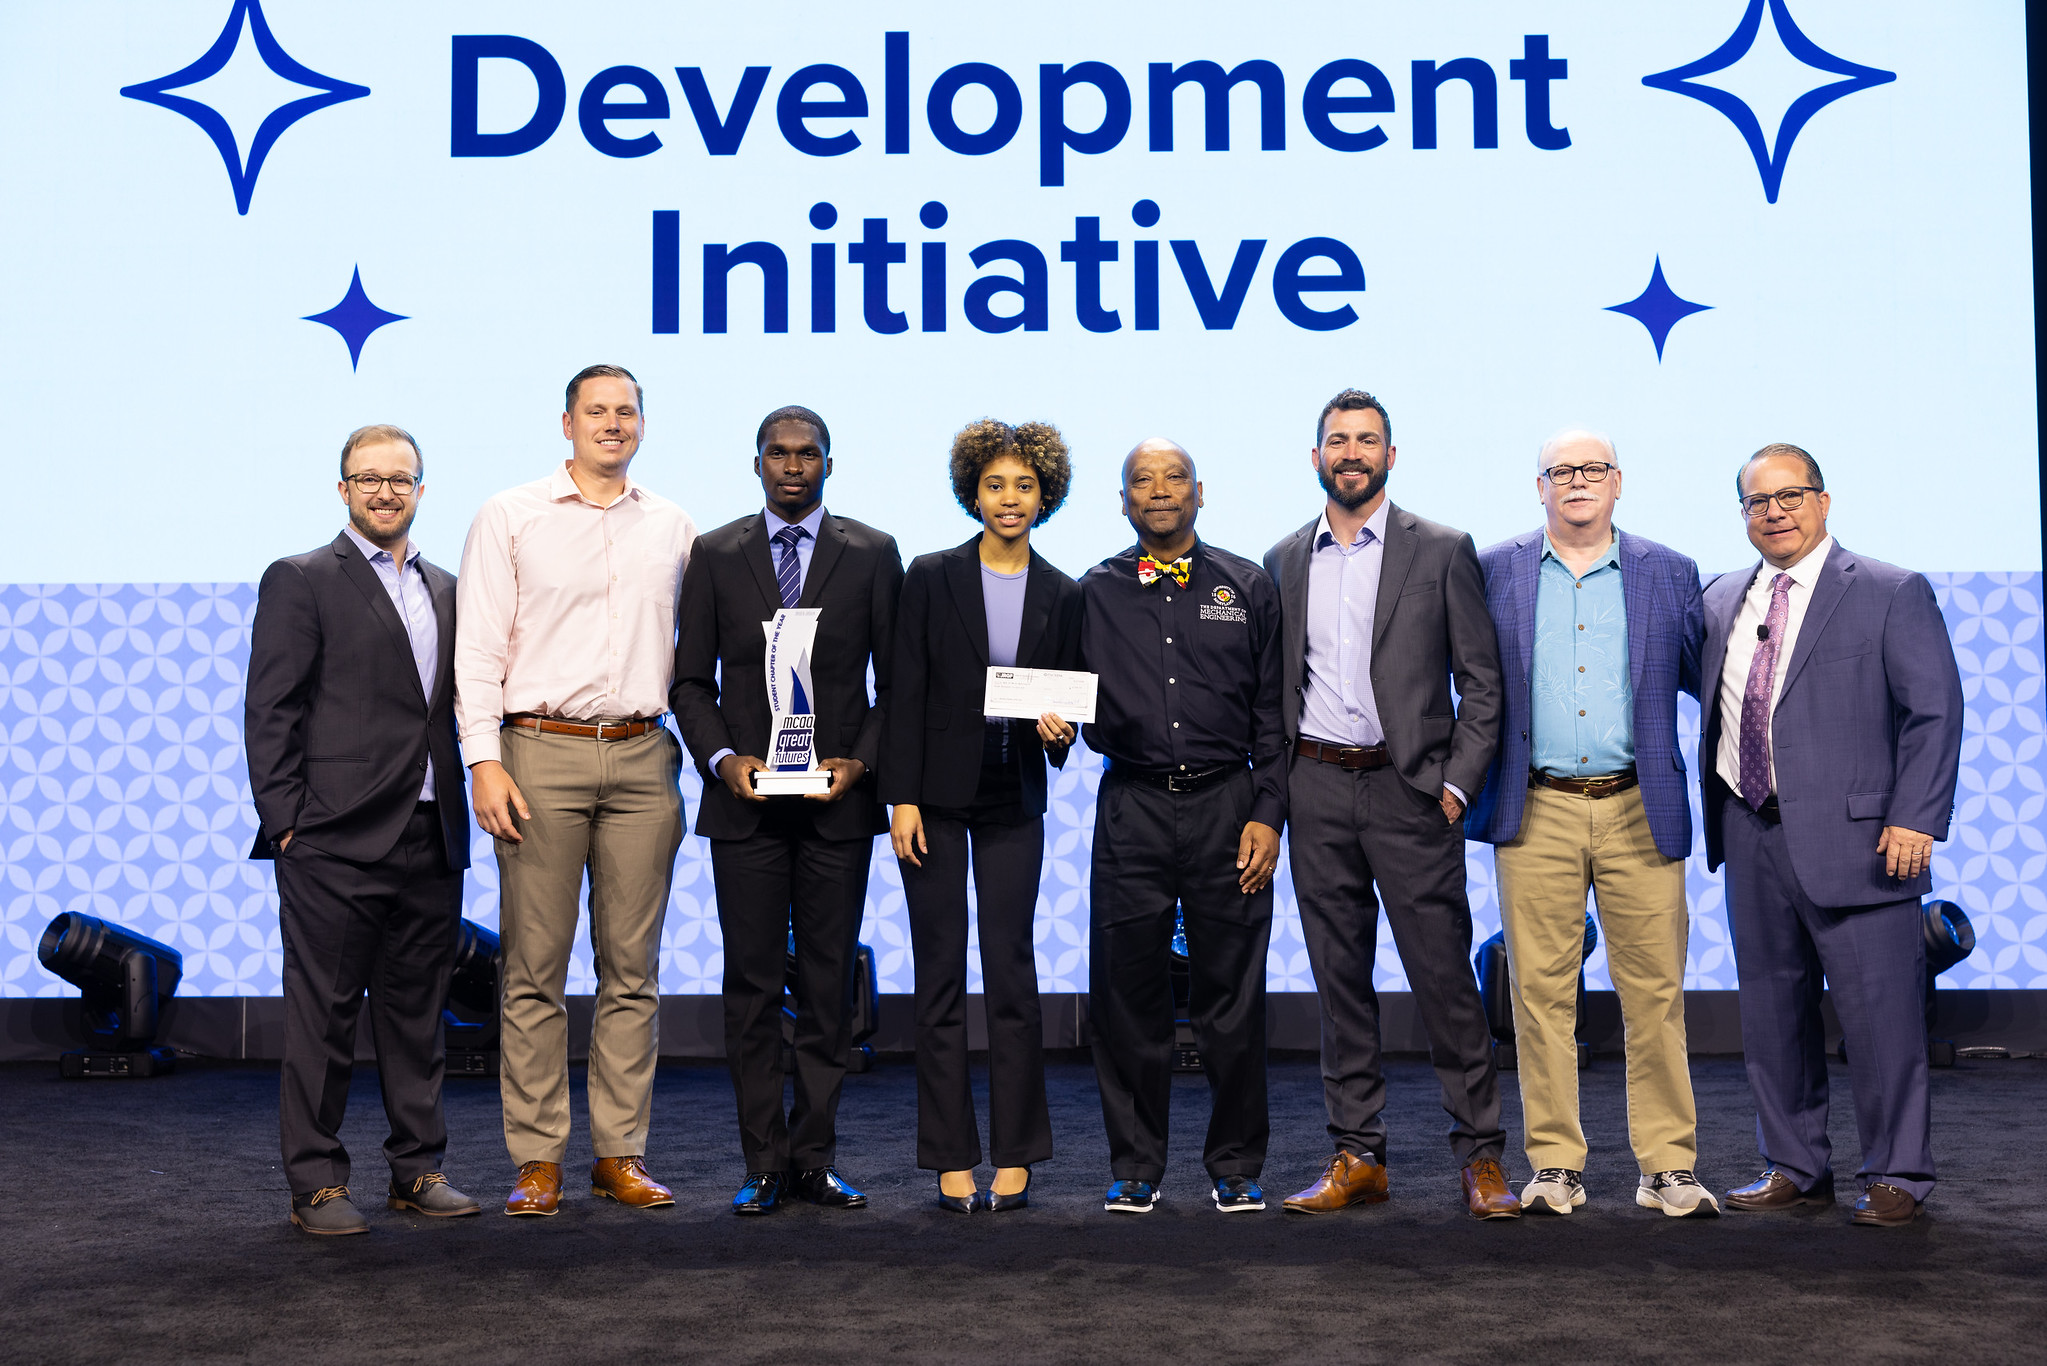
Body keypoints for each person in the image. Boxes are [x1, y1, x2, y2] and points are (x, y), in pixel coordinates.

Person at [1263, 388, 1519, 1220]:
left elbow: (1481, 681)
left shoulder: (1440, 549)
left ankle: (1480, 1157)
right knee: (1339, 983)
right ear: (1315, 458)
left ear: (1390, 456)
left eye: (1366, 440)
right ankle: (1357, 1155)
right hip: (1315, 786)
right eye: (1337, 440)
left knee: (1443, 980)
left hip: (1410, 791)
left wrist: (1456, 784)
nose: (1351, 452)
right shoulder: (1282, 558)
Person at [455, 365, 697, 1218]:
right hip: (537, 754)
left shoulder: (673, 526)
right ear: (566, 424)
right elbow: (477, 648)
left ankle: (619, 1153)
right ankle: (537, 1159)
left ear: (643, 425)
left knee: (633, 970)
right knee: (533, 970)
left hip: (642, 756)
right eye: (596, 410)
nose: (612, 423)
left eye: (626, 411)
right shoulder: (510, 514)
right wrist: (482, 760)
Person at [1705, 443, 1963, 1227]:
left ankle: (1896, 1172)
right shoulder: (1719, 599)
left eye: (1789, 496)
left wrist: (1915, 815)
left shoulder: (1888, 590)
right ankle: (1793, 1164)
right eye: (1757, 501)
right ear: (1742, 515)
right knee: (1771, 1015)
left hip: (1863, 843)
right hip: (1748, 831)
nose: (1774, 512)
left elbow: (1933, 711)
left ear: (1822, 501)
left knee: (1881, 1020)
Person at [1466, 429, 1716, 1217]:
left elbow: (1708, 684)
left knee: (1655, 994)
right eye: (1561, 470)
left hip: (1639, 804)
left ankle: (1666, 1166)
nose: (1577, 480)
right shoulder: (1493, 569)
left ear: (1618, 481)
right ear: (1538, 486)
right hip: (1534, 804)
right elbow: (1467, 682)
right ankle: (1554, 1165)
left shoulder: (1669, 572)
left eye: (1593, 468)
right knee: (1539, 996)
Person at [245, 423, 478, 1234]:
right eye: (368, 478)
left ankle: (418, 1169)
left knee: (417, 1018)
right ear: (342, 489)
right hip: (332, 840)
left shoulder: (450, 587)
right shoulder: (301, 578)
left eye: (399, 479)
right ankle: (316, 1182)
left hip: (431, 833)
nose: (385, 491)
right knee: (325, 1019)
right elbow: (270, 709)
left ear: (421, 489)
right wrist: (286, 825)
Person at [671, 405, 903, 1216]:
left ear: (829, 464)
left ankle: (815, 1158)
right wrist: (723, 761)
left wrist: (861, 761)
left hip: (838, 805)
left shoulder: (872, 553)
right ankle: (763, 1161)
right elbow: (688, 682)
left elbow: (894, 683)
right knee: (752, 986)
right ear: (757, 463)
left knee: (829, 987)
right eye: (778, 453)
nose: (793, 465)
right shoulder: (714, 553)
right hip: (747, 806)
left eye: (808, 453)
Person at [883, 419, 1083, 1213]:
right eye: (995, 484)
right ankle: (949, 1155)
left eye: (1024, 485)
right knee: (938, 975)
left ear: (1045, 495)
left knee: (1011, 972)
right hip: (932, 799)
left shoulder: (1064, 591)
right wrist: (900, 796)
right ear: (971, 491)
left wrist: (1060, 733)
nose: (1009, 498)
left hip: (1012, 797)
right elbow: (902, 690)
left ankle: (1016, 1153)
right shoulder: (930, 575)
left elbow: (1069, 699)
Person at [1080, 437, 1284, 1215]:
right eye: (1143, 480)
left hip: (1228, 805)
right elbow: (1062, 693)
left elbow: (1272, 714)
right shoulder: (1091, 592)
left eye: (1174, 478)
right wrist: (1051, 724)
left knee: (1232, 996)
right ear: (1122, 501)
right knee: (1126, 995)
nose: (1159, 490)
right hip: (1130, 806)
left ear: (1200, 493)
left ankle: (1235, 1163)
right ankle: (1135, 1165)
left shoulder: (1247, 585)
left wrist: (1268, 813)